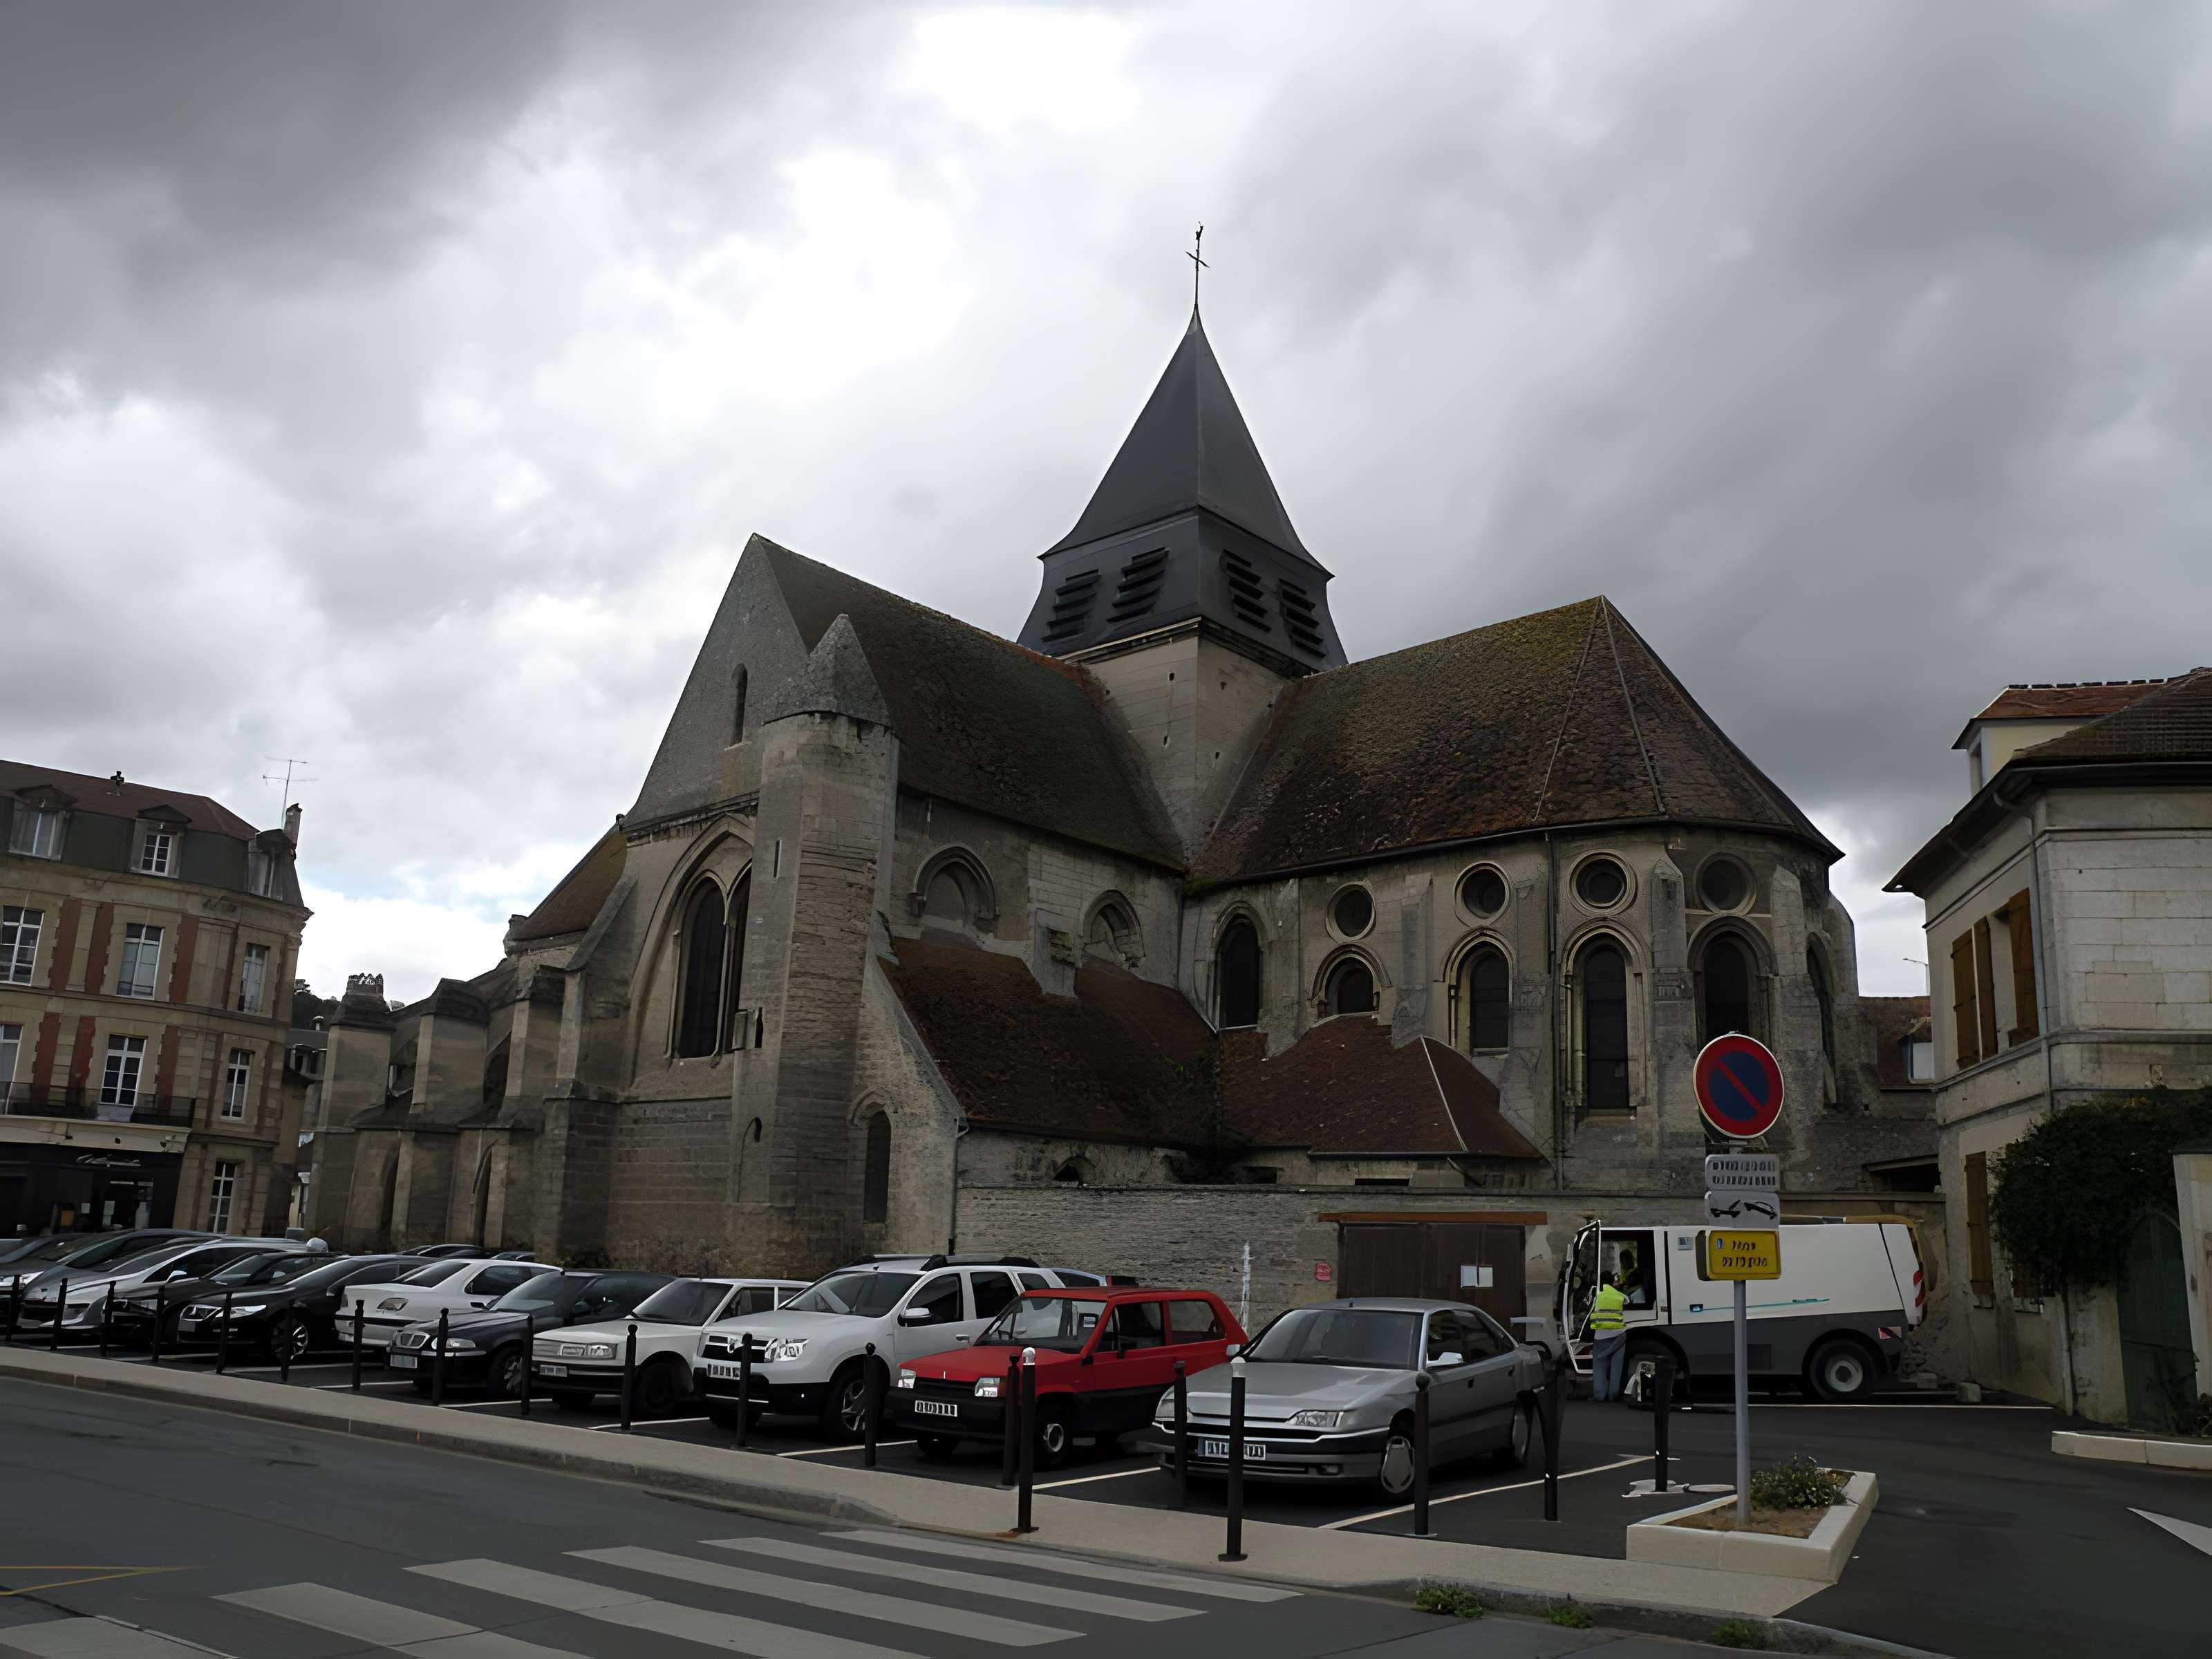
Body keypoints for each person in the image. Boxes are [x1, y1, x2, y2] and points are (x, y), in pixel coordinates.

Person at [1589, 1270, 1628, 1402]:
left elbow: (1586, 1309)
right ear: (1612, 1282)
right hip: (1620, 1336)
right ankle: (1614, 1394)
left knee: (1599, 1365)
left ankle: (1600, 1395)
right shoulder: (1621, 1296)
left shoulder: (1596, 1295)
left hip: (1601, 1337)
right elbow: (1629, 1302)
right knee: (1617, 1365)